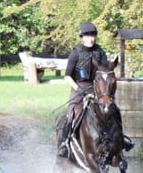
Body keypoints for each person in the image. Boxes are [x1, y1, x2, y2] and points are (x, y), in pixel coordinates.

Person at [57, 21, 134, 158]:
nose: (90, 38)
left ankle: (122, 139)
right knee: (71, 115)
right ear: (82, 37)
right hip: (79, 88)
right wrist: (79, 89)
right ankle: (64, 144)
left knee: (114, 110)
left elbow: (105, 71)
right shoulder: (75, 53)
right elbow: (67, 76)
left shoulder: (99, 52)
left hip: (97, 89)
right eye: (87, 36)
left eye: (92, 35)